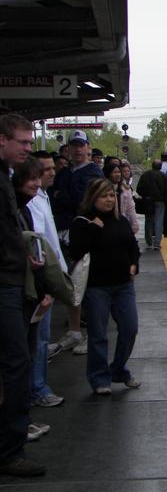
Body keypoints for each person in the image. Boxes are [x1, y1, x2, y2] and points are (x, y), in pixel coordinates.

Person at [0, 113, 46, 477]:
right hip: (4, 286)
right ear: (2, 140)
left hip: (11, 280)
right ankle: (10, 451)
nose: (29, 149)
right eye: (24, 143)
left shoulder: (6, 177)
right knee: (17, 365)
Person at [69, 179, 141, 395]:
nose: (109, 200)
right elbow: (76, 252)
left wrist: (134, 264)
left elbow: (132, 247)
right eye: (103, 196)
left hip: (123, 285)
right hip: (96, 288)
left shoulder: (121, 222)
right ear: (92, 198)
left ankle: (118, 369)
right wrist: (92, 230)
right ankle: (99, 378)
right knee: (98, 334)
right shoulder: (82, 222)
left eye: (111, 195)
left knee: (130, 328)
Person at [11, 158, 54, 441]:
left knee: (31, 349)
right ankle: (17, 424)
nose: (37, 184)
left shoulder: (26, 208)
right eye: (32, 179)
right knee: (19, 358)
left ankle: (23, 416)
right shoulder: (17, 210)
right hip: (21, 291)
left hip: (34, 289)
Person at [50, 130, 103, 356]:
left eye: (82, 146)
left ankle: (91, 333)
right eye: (74, 146)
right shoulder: (64, 173)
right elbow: (53, 193)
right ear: (68, 148)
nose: (78, 150)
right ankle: (74, 331)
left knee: (87, 285)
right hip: (63, 234)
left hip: (84, 235)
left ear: (88, 149)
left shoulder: (93, 173)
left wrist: (62, 196)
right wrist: (63, 196)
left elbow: (79, 200)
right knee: (71, 285)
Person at [28, 151, 67, 407]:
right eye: (45, 169)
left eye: (52, 168)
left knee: (40, 339)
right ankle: (37, 390)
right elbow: (36, 244)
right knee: (38, 339)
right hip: (39, 281)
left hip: (49, 276)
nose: (52, 172)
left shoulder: (42, 196)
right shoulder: (31, 201)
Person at [136, 160, 167, 250]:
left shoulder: (145, 175)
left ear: (152, 166)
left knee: (148, 221)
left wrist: (145, 196)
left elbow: (138, 189)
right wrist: (165, 199)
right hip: (160, 202)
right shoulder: (164, 176)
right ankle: (157, 244)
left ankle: (149, 241)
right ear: (160, 167)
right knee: (159, 222)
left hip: (148, 201)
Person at [103, 162, 139, 234]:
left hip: (122, 224)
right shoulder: (103, 189)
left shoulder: (125, 189)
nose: (117, 174)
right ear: (108, 174)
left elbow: (130, 208)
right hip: (107, 225)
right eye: (114, 172)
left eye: (119, 172)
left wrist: (134, 225)